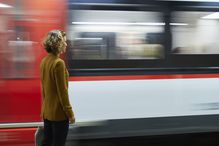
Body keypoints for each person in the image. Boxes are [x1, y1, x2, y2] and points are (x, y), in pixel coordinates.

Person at [40, 30, 75, 146]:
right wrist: (70, 114)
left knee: (47, 143)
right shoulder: (59, 63)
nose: (66, 44)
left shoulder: (44, 61)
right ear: (57, 44)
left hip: (47, 112)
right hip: (59, 115)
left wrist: (44, 110)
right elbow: (63, 92)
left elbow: (44, 89)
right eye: (64, 42)